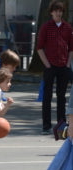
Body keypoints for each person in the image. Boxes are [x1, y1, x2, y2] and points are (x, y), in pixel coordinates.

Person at [37, 0, 73, 135]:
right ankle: (46, 125)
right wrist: (47, 64)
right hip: (50, 65)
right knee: (47, 96)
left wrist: (68, 64)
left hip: (64, 65)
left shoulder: (68, 27)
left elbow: (71, 49)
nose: (58, 13)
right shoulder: (46, 27)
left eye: (60, 11)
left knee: (61, 96)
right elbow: (39, 48)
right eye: (56, 10)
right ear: (51, 12)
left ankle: (61, 124)